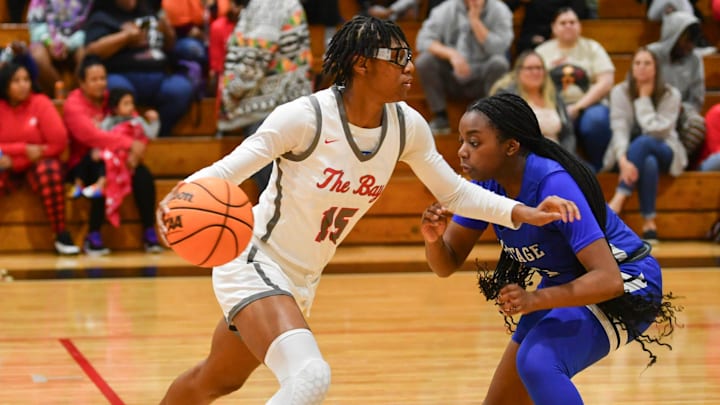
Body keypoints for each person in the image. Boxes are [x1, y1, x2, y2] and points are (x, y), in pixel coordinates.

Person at [156, 16, 580, 405]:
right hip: (255, 260)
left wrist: (522, 211)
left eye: (410, 56)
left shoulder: (406, 125)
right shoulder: (305, 118)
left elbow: (453, 193)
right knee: (309, 376)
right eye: (397, 58)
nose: (409, 66)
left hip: (302, 279)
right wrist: (179, 199)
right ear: (360, 64)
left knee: (216, 379)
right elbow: (227, 170)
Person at [421, 93, 679, 404]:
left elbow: (608, 280)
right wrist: (433, 239)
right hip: (569, 281)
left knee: (539, 363)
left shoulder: (553, 184)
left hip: (628, 281)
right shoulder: (486, 186)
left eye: (474, 142)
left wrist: (534, 299)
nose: (462, 152)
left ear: (511, 146)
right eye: (462, 141)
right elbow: (446, 263)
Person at [63, 55, 162, 255]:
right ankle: (92, 236)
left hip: (120, 158)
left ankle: (149, 231)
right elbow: (92, 137)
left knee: (143, 176)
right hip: (85, 163)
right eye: (94, 79)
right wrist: (129, 144)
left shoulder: (112, 98)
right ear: (81, 82)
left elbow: (136, 124)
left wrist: (137, 150)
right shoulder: (73, 104)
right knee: (103, 175)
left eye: (103, 78)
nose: (101, 84)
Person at [604, 47, 685, 243]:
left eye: (647, 63)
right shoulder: (620, 91)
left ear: (656, 68)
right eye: (637, 63)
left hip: (666, 150)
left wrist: (644, 99)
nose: (641, 68)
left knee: (645, 141)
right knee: (648, 162)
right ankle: (649, 223)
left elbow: (657, 131)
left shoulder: (671, 94)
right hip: (630, 157)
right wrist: (623, 160)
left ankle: (620, 197)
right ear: (631, 68)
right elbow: (619, 127)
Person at [0, 62, 80, 255]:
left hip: (37, 165)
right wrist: (24, 149)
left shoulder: (41, 103)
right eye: (16, 81)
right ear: (4, 84)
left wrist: (19, 159)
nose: (23, 85)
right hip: (5, 165)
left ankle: (61, 234)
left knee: (49, 170)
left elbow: (58, 143)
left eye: (26, 80)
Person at [83, 0, 194, 137]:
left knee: (181, 89)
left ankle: (158, 134)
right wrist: (125, 38)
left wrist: (167, 31)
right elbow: (92, 50)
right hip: (123, 74)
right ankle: (127, 138)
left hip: (158, 74)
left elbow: (170, 47)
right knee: (119, 92)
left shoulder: (149, 11)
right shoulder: (103, 17)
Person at [415, 0, 514, 135]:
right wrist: (452, 54)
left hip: (483, 75)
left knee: (500, 63)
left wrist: (475, 20)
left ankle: (490, 116)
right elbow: (423, 41)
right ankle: (441, 116)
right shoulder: (446, 9)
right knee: (424, 61)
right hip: (452, 74)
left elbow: (500, 47)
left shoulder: (499, 10)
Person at [535, 7, 614, 172]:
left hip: (588, 106)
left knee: (597, 121)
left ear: (579, 26)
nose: (568, 26)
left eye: (572, 22)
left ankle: (601, 169)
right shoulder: (542, 52)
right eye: (563, 23)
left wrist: (579, 107)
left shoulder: (593, 48)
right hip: (552, 106)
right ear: (554, 28)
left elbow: (606, 81)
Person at [68, 87, 159, 200]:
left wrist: (154, 121)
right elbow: (100, 136)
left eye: (132, 103)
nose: (131, 107)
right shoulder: (109, 121)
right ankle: (78, 185)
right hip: (107, 150)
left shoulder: (137, 120)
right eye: (126, 104)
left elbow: (149, 135)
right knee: (87, 159)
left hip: (123, 156)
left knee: (109, 162)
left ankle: (100, 185)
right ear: (115, 108)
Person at [647, 11, 707, 165]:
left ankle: (679, 160)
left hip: (681, 112)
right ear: (674, 35)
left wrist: (682, 108)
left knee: (697, 124)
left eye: (693, 41)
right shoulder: (651, 54)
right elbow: (637, 87)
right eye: (686, 40)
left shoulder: (695, 60)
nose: (690, 46)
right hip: (652, 109)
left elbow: (697, 98)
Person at [490, 50, 577, 154]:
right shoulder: (507, 98)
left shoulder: (554, 96)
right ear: (519, 71)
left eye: (539, 68)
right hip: (524, 157)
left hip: (558, 157)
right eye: (530, 68)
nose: (535, 72)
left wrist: (566, 158)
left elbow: (568, 134)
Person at [27, 0, 93, 96]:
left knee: (86, 56)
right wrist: (49, 43)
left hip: (78, 41)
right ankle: (61, 95)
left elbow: (91, 25)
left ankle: (75, 98)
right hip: (47, 41)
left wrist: (69, 44)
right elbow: (35, 24)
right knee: (37, 56)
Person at [502, 0, 588, 55]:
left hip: (562, 30)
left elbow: (580, 12)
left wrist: (558, 31)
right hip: (533, 33)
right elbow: (505, 9)